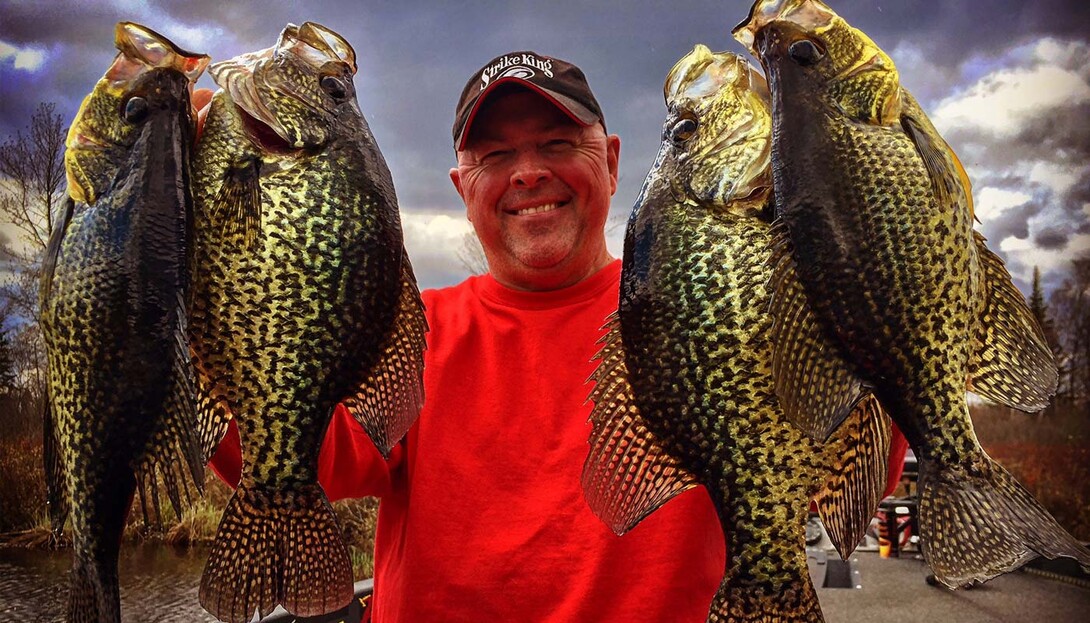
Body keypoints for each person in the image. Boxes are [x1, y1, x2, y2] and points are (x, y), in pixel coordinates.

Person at [208, 50, 908, 622]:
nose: (529, 171)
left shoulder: (709, 308)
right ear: (461, 185)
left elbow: (855, 428)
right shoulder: (408, 333)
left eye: (556, 143)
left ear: (610, 159)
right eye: (496, 154)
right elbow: (302, 455)